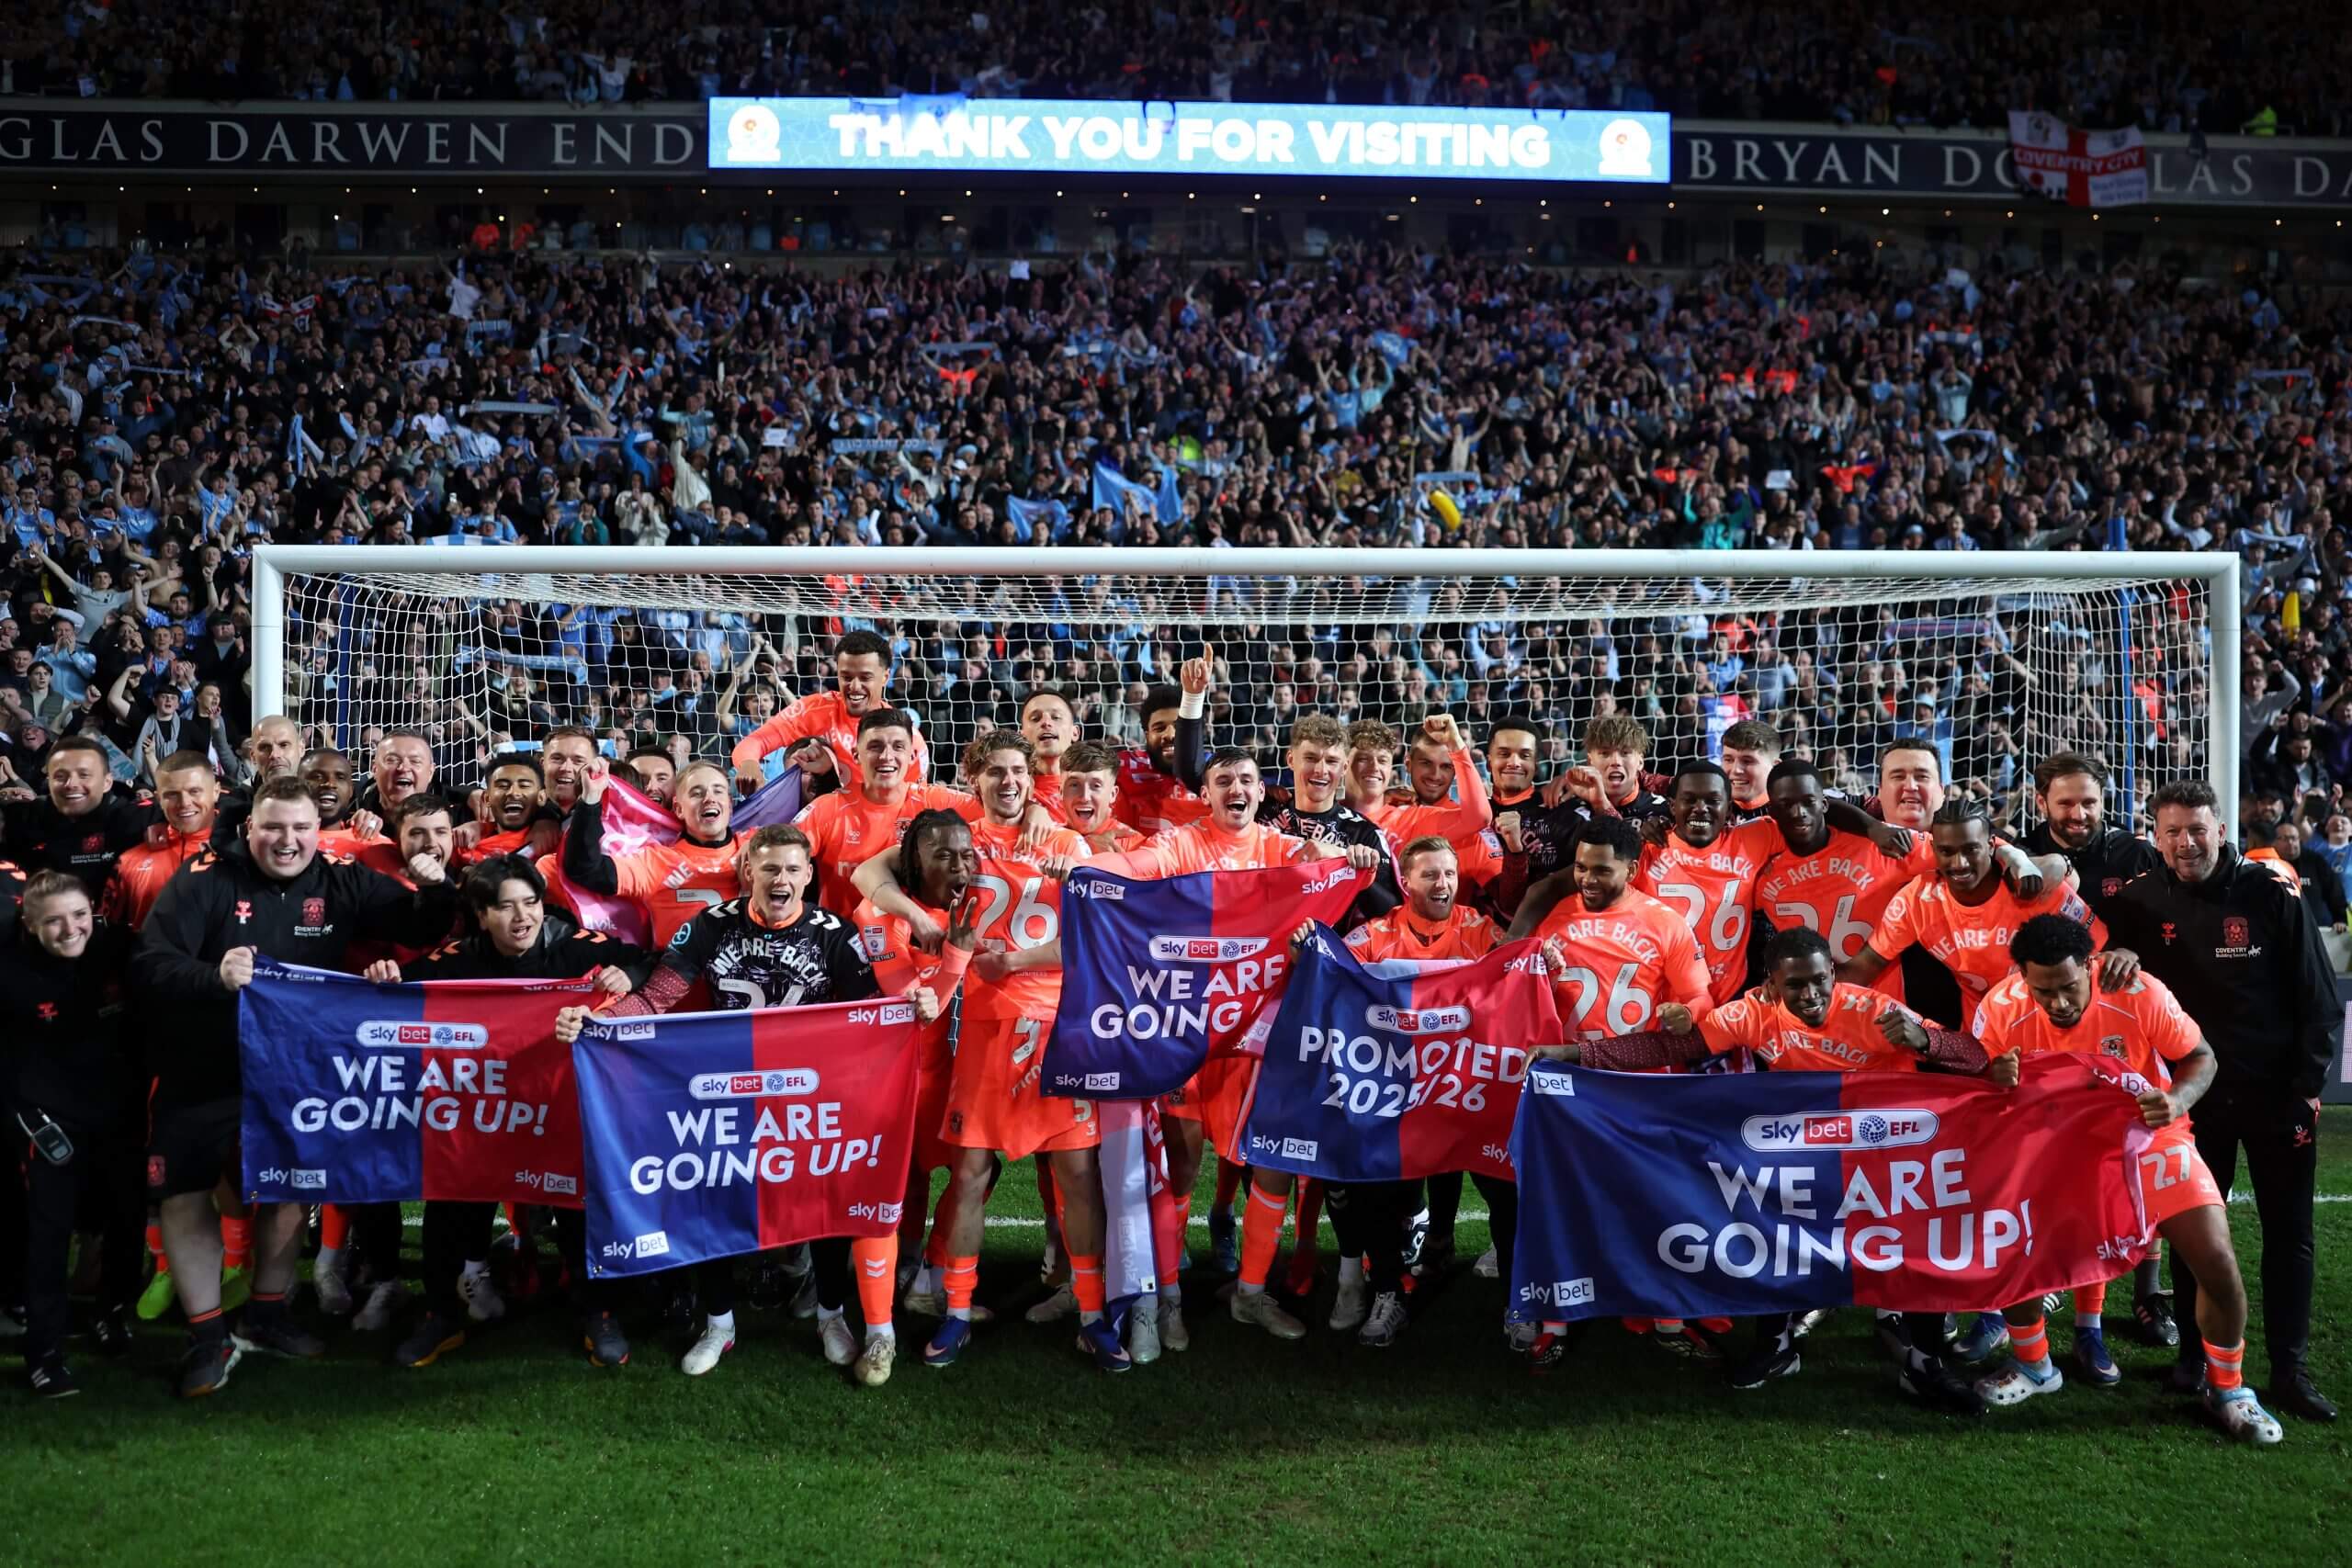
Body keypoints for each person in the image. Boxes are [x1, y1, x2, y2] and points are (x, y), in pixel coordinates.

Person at [1540, 926, 2007, 1409]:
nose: (1811, 995)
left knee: (1912, 1249)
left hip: (1884, 1156)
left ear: (1833, 973)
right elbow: (1671, 1048)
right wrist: (1575, 1054)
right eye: (1796, 985)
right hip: (1804, 1156)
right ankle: (1776, 1347)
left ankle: (1924, 1366)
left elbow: (1974, 1057)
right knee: (1778, 1239)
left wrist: (1927, 1042)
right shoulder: (1753, 1013)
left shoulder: (1873, 1010)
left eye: (1821, 980)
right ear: (1770, 985)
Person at [569, 824, 938, 1387]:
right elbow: (658, 997)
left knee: (826, 1193)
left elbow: (871, 1011)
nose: (780, 879)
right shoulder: (711, 925)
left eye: (792, 869)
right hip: (728, 1086)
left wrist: (911, 1005)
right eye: (769, 868)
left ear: (809, 875)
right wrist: (600, 1023)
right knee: (716, 1197)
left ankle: (831, 1315)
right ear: (749, 873)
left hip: (809, 1092)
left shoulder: (835, 932)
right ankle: (719, 1323)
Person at [132, 775, 461, 1398]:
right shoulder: (205, 882)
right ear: (249, 827)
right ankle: (206, 1334)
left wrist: (437, 881)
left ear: (318, 829)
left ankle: (267, 1311)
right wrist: (212, 974)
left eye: (300, 827)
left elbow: (422, 928)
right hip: (201, 1065)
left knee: (289, 1189)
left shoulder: (339, 880)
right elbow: (150, 962)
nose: (287, 840)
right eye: (274, 827)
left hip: (295, 1066)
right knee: (184, 1192)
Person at [851, 732, 1131, 1374]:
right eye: (996, 772)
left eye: (1018, 772)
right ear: (973, 778)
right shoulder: (956, 839)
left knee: (1077, 1178)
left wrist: (1022, 957)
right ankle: (954, 1311)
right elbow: (868, 875)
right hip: (980, 1028)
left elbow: (1101, 933)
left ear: (1035, 781)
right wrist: (918, 919)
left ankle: (1092, 1316)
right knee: (970, 1173)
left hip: (1057, 1025)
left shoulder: (1062, 841)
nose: (1008, 782)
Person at [1968, 915, 2284, 1445]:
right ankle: (2034, 1366)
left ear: (2090, 966)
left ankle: (2227, 1388)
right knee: (2013, 1245)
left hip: (2148, 1137)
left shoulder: (2137, 992)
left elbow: (2200, 1058)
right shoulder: (2000, 1008)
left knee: (2217, 1262)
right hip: (2057, 1145)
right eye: (2043, 990)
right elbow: (1977, 1079)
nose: (2061, 1002)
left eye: (2069, 987)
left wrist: (2177, 1100)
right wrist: (1990, 1075)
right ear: (2020, 976)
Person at [2102, 779, 2341, 1422]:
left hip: (2275, 1096)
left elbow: (2318, 998)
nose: (2186, 842)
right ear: (2156, 836)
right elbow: (2102, 957)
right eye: (2173, 831)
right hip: (2193, 1096)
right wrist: (2118, 947)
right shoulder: (2141, 899)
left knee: (2289, 1232)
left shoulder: (2271, 892)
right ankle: (2196, 1359)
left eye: (2197, 829)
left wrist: (2306, 1088)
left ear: (2222, 830)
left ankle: (2288, 1368)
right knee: (2190, 1233)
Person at [368, 856, 650, 1371]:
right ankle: (440, 1315)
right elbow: (396, 991)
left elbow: (645, 962)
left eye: (531, 903)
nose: (523, 917)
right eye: (505, 908)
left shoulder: (572, 945)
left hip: (558, 1108)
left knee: (578, 1208)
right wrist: (385, 975)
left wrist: (625, 974)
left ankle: (599, 1312)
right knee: (450, 1203)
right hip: (482, 1114)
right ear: (480, 916)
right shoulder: (457, 957)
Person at [1337, 835, 1505, 1350]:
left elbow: (1515, 972)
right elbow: (1332, 971)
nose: (1443, 883)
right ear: (1404, 882)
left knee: (1509, 1181)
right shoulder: (1375, 934)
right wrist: (1306, 950)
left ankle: (1521, 1297)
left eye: (1450, 874)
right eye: (1430, 874)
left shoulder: (1480, 930)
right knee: (1375, 1183)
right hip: (1398, 1088)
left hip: (1464, 1085)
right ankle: (1386, 1290)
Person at [3, 874, 141, 1397]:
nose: (70, 929)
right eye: (55, 921)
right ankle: (43, 1352)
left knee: (126, 1222)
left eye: (79, 915)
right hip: (47, 1123)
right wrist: (22, 1118)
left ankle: (111, 1313)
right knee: (48, 1237)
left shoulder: (118, 947)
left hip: (119, 1115)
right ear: (30, 924)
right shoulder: (9, 972)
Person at [792, 709, 984, 914]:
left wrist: (1025, 816)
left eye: (898, 747)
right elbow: (782, 848)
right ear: (856, 754)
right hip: (842, 940)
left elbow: (999, 811)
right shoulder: (829, 808)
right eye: (875, 747)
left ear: (911, 756)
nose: (886, 756)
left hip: (919, 940)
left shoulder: (936, 801)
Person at [729, 630, 931, 792]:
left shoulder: (906, 738)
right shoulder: (815, 708)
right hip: (821, 826)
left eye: (865, 677)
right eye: (846, 676)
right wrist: (749, 764)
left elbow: (915, 803)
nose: (854, 686)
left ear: (885, 677)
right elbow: (755, 742)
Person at [2023, 751, 2163, 925]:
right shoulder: (2024, 855)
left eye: (2089, 803)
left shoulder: (2135, 853)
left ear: (2101, 801)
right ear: (2042, 803)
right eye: (2065, 803)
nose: (2079, 815)